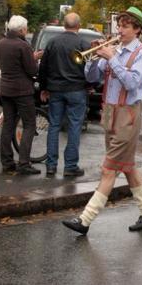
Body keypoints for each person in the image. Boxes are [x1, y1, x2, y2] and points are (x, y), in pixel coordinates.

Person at [62, 6, 142, 234]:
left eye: (125, 26)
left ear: (137, 29)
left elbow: (132, 82)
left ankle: (85, 220)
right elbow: (93, 79)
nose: (120, 30)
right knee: (127, 167)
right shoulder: (115, 49)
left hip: (128, 115)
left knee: (109, 169)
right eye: (119, 25)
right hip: (110, 113)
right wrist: (92, 60)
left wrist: (113, 58)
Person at [38, 12, 88, 177]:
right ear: (78, 26)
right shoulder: (83, 43)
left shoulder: (53, 42)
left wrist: (44, 88)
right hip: (76, 89)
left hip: (56, 89)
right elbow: (89, 69)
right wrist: (89, 85)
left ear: (63, 25)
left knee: (54, 126)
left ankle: (51, 166)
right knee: (74, 127)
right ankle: (70, 166)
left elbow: (43, 67)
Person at [0, 16, 41, 174]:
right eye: (26, 28)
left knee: (8, 124)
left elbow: (3, 63)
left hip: (5, 89)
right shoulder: (23, 45)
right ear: (22, 30)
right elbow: (32, 70)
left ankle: (6, 162)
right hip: (22, 91)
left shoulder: (1, 43)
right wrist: (34, 60)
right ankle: (24, 163)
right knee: (29, 125)